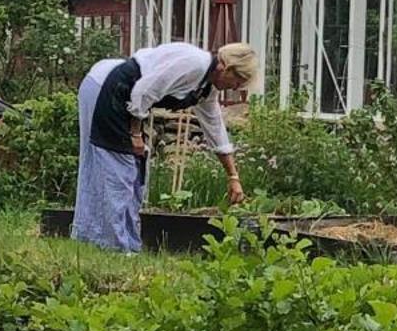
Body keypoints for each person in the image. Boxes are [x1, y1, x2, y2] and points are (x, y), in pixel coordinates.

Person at [72, 40, 261, 252]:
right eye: (238, 80)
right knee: (118, 172)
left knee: (135, 177)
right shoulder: (194, 64)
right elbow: (144, 91)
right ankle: (112, 246)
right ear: (226, 67)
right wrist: (135, 134)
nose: (236, 88)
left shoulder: (206, 88)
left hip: (128, 100)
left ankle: (127, 248)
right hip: (110, 89)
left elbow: (216, 130)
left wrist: (233, 177)